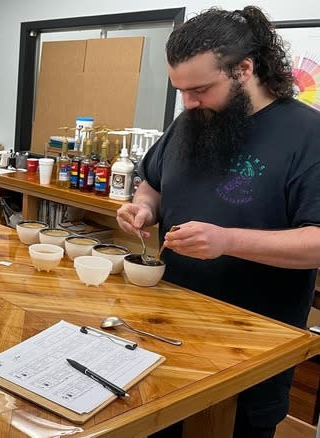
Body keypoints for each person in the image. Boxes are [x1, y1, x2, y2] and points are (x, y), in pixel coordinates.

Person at [115, 6, 320, 438]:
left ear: (244, 68)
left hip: (250, 344)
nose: (189, 103)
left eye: (201, 89)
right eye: (181, 91)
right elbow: (153, 182)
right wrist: (144, 208)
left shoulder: (307, 134)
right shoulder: (190, 120)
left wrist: (226, 240)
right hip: (164, 329)